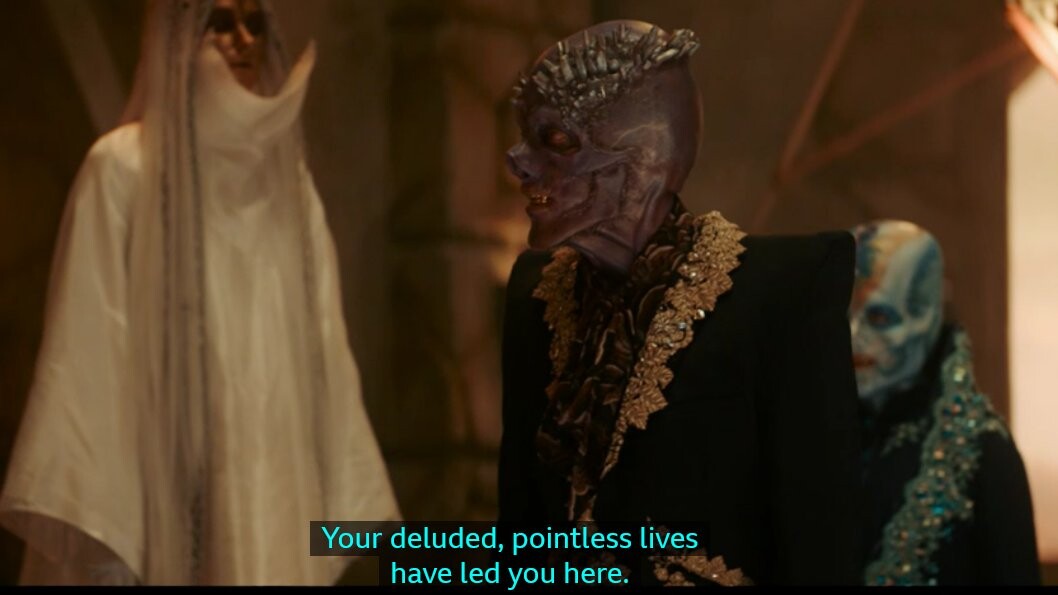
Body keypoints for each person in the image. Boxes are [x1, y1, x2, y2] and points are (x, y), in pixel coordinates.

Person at [0, 0, 399, 585]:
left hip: (274, 487)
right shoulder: (124, 168)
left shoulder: (288, 186)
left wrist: (335, 505)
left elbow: (327, 357)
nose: (242, 40)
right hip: (164, 493)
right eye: (219, 22)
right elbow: (89, 349)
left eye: (255, 24)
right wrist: (110, 531)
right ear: (178, 35)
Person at [498, 20, 862, 585]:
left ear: (643, 156)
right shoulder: (537, 294)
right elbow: (520, 532)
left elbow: (820, 542)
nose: (518, 160)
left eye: (557, 141)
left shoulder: (780, 292)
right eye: (527, 137)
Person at [850, 220, 1040, 586]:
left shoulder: (984, 453)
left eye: (878, 317)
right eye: (842, 315)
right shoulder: (817, 437)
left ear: (925, 316)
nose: (852, 335)